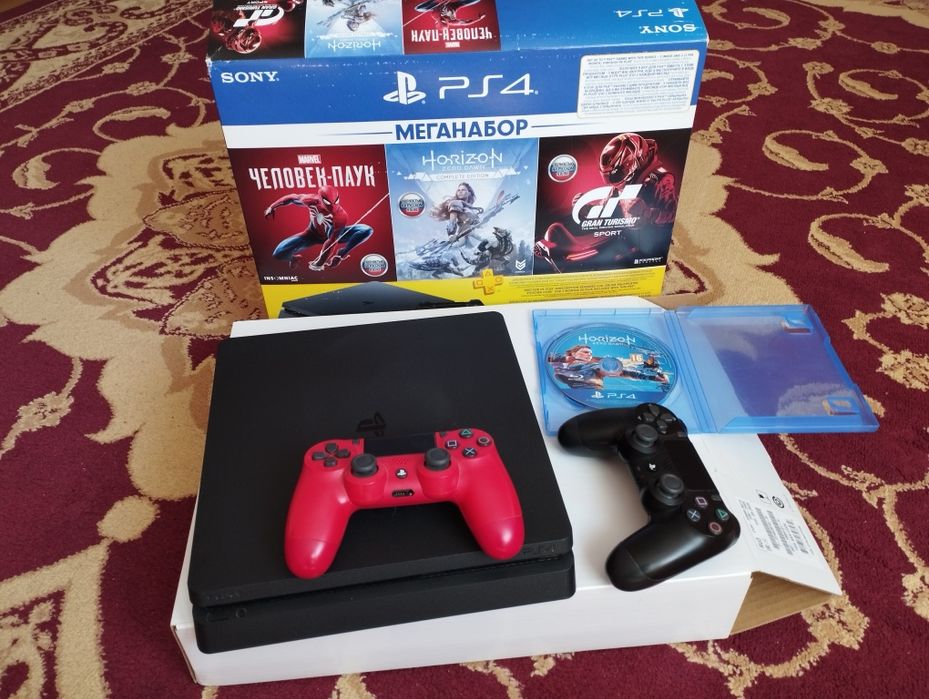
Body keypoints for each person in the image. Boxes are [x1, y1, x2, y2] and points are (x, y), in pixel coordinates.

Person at [264, 186, 373, 271]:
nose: (332, 207)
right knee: (278, 253)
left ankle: (342, 252)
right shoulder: (311, 200)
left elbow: (332, 241)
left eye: (335, 202)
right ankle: (294, 258)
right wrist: (272, 207)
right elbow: (292, 198)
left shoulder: (341, 216)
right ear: (320, 198)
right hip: (311, 235)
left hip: (333, 235)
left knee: (366, 230)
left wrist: (320, 263)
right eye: (328, 202)